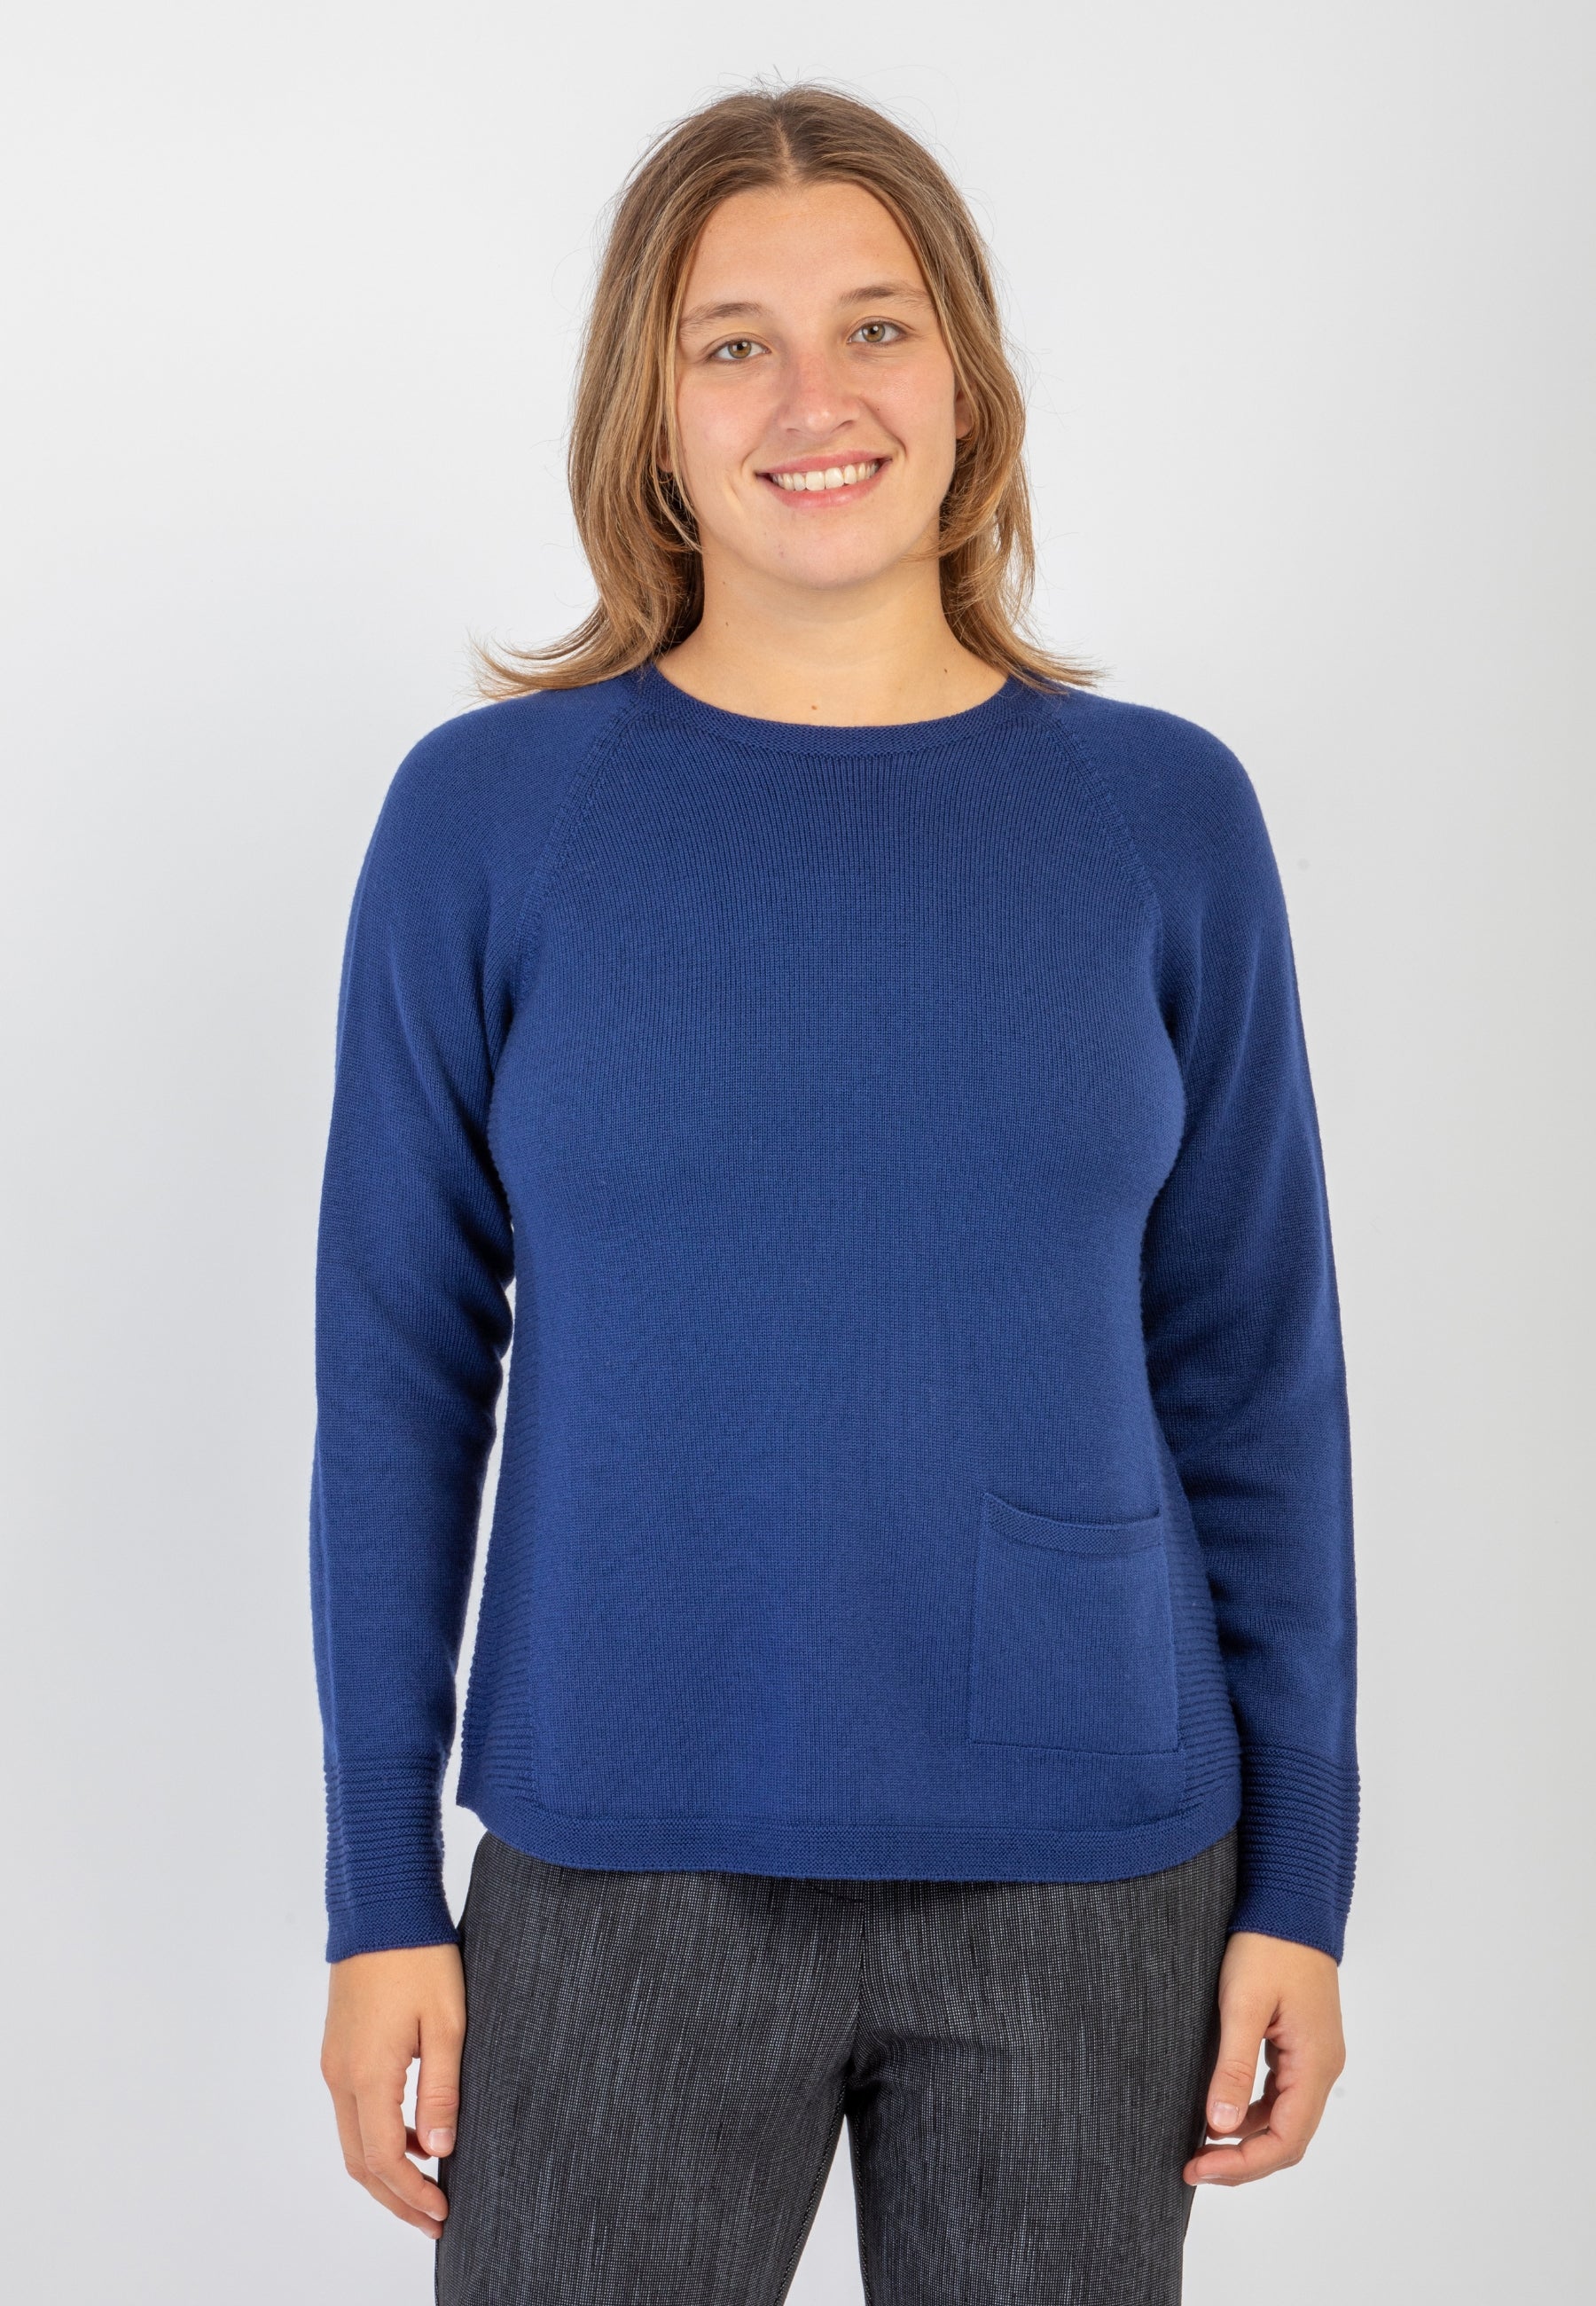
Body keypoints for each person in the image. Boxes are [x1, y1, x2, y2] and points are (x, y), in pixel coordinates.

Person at [311, 82, 1357, 2304]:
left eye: (877, 327)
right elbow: (397, 1380)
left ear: (965, 380)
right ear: (653, 413)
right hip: (617, 1854)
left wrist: (1305, 1879)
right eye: (737, 344)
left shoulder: (1161, 818)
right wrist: (377, 1891)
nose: (818, 398)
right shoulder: (491, 819)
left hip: (1090, 1871)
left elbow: (1254, 1376)